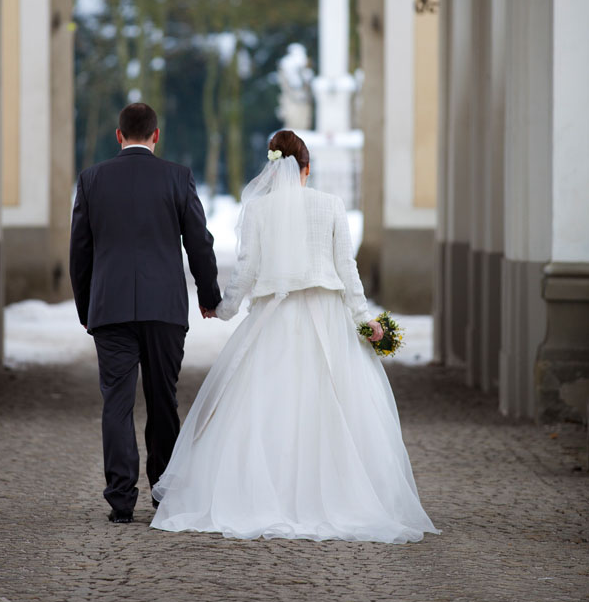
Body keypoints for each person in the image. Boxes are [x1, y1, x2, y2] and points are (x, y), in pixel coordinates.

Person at [151, 129, 439, 543]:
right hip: (327, 318)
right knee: (333, 408)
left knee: (267, 407)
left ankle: (262, 494)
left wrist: (224, 308)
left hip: (275, 317)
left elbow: (247, 271)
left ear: (271, 168)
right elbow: (346, 268)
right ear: (307, 168)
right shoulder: (331, 205)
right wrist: (364, 320)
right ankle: (338, 496)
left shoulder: (258, 211)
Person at [69, 102, 221, 524]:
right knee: (162, 400)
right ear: (157, 135)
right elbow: (199, 243)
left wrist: (87, 307)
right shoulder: (178, 177)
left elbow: (79, 252)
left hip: (111, 309)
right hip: (164, 309)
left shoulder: (92, 179)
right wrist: (208, 295)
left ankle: (120, 499)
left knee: (116, 404)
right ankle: (163, 492)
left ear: (118, 136)